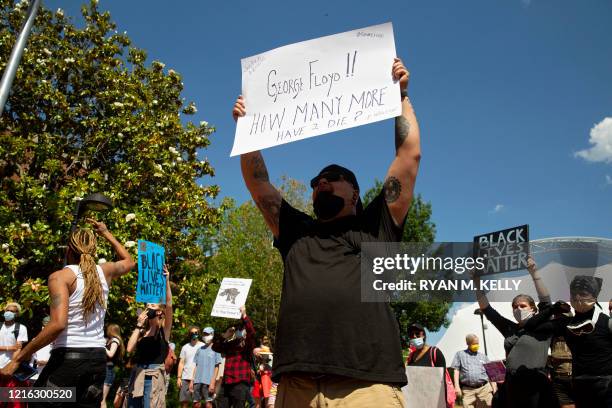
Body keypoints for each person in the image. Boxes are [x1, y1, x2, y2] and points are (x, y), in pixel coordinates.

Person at [232, 56, 419, 407]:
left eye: (333, 179)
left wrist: (401, 96)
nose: (321, 184)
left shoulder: (376, 227)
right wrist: (248, 129)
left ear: (355, 192)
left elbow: (409, 155)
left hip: (366, 386)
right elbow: (258, 184)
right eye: (317, 182)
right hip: (297, 386)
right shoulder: (296, 231)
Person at [0, 219, 134, 407]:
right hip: (97, 360)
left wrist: (18, 359)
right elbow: (129, 261)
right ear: (94, 251)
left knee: (34, 400)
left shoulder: (61, 277)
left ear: (69, 250)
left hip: (68, 360)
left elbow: (58, 324)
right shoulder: (105, 271)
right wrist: (105, 232)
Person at [475, 256, 555, 408]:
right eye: (514, 307)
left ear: (533, 308)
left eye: (523, 306)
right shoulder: (510, 328)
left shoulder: (543, 325)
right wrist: (476, 280)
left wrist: (534, 272)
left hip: (536, 385)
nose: (518, 309)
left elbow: (546, 302)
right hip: (512, 385)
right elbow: (488, 310)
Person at [126, 264, 173, 408]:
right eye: (147, 305)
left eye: (152, 305)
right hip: (138, 374)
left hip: (153, 376)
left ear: (159, 311)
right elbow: (129, 349)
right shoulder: (143, 331)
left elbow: (169, 305)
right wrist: (138, 326)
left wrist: (166, 282)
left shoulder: (163, 331)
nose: (148, 308)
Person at [212, 305, 255, 408]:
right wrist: (225, 336)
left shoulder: (248, 344)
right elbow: (216, 347)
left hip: (240, 382)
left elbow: (251, 332)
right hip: (227, 382)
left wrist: (244, 315)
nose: (238, 331)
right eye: (237, 329)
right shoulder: (231, 343)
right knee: (220, 404)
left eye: (241, 329)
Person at [451, 334, 495, 408]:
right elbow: (456, 370)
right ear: (468, 343)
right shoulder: (460, 354)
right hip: (468, 390)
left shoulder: (483, 356)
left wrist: (494, 387)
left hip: (484, 390)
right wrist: (456, 386)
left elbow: (491, 372)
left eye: (477, 343)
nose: (476, 345)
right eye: (474, 344)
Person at [0, 301, 29, 404]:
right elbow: (15, 347)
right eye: (7, 310)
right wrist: (10, 347)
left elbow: (18, 349)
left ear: (17, 314)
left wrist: (11, 367)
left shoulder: (21, 328)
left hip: (11, 370)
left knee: (14, 402)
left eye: (12, 311)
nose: (9, 312)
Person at [190, 327, 222, 408]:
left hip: (208, 381)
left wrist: (213, 382)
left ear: (212, 335)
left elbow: (217, 367)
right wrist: (192, 381)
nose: (205, 336)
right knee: (196, 404)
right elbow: (196, 366)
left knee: (208, 404)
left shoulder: (216, 349)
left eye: (207, 334)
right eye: (204, 334)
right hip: (197, 381)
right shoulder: (199, 349)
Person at [178, 326, 204, 407]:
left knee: (197, 404)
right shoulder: (185, 347)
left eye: (196, 333)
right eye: (192, 333)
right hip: (185, 378)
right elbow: (181, 362)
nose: (194, 334)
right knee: (184, 402)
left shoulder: (203, 346)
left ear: (198, 334)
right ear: (189, 334)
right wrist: (179, 377)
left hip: (198, 379)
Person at [103, 324, 125, 408]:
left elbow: (111, 354)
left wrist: (103, 347)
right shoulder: (109, 340)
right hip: (106, 369)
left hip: (109, 370)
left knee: (102, 399)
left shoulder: (115, 340)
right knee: (100, 397)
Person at [30, 316, 52, 383]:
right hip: (33, 373)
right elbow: (32, 356)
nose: (44, 328)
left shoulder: (56, 340)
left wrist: (46, 362)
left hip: (48, 373)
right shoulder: (35, 339)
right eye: (43, 325)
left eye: (47, 326)